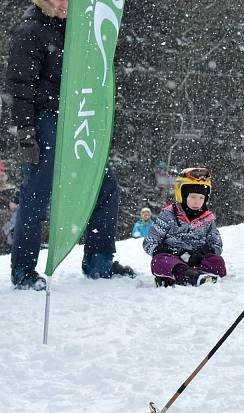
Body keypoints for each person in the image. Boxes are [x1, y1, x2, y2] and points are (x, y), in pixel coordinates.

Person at [5, 0, 134, 290]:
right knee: (37, 192)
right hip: (45, 119)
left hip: (78, 117)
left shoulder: (79, 28)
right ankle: (24, 270)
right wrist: (26, 132)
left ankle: (99, 261)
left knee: (103, 184)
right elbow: (18, 86)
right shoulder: (32, 30)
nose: (65, 4)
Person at [143, 167, 226, 287]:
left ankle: (184, 276)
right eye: (193, 197)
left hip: (197, 260)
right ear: (182, 195)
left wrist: (201, 254)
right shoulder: (168, 215)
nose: (197, 202)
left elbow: (216, 243)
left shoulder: (207, 219)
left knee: (217, 262)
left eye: (201, 198)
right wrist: (167, 251)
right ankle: (187, 275)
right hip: (173, 258)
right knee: (159, 261)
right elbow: (150, 241)